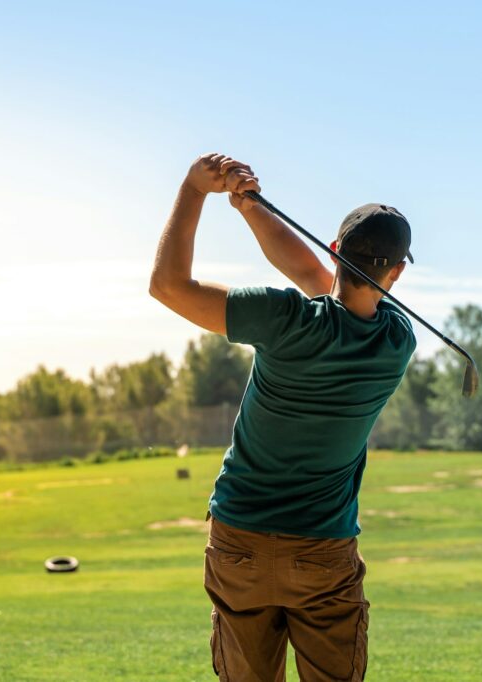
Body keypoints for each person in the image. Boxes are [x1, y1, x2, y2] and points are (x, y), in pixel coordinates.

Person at [150, 153, 416, 681]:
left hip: (239, 539)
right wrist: (250, 209)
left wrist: (195, 190)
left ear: (337, 249)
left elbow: (169, 286)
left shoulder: (283, 317)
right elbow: (314, 276)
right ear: (399, 270)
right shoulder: (395, 339)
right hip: (323, 550)